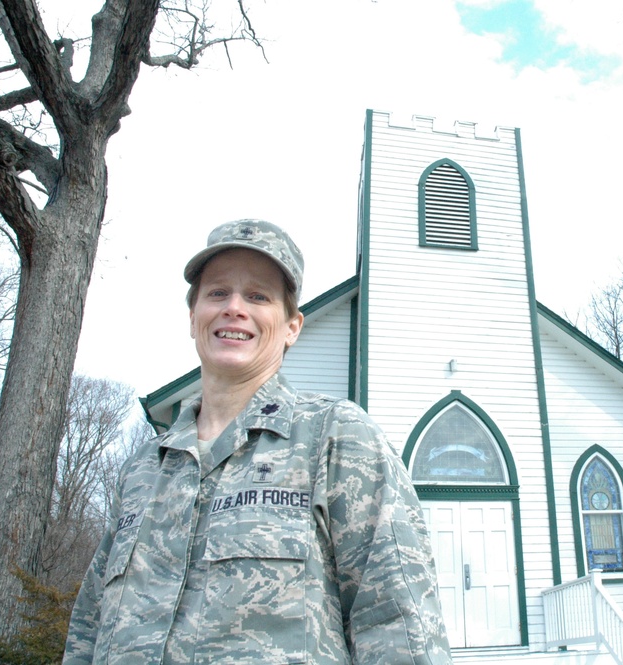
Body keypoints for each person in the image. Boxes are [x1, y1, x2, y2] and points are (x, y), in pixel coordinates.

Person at [64, 220, 452, 664]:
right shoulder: (142, 469)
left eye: (257, 296)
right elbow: (88, 629)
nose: (234, 307)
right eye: (217, 293)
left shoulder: (335, 438)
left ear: (291, 327)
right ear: (193, 318)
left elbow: (399, 624)